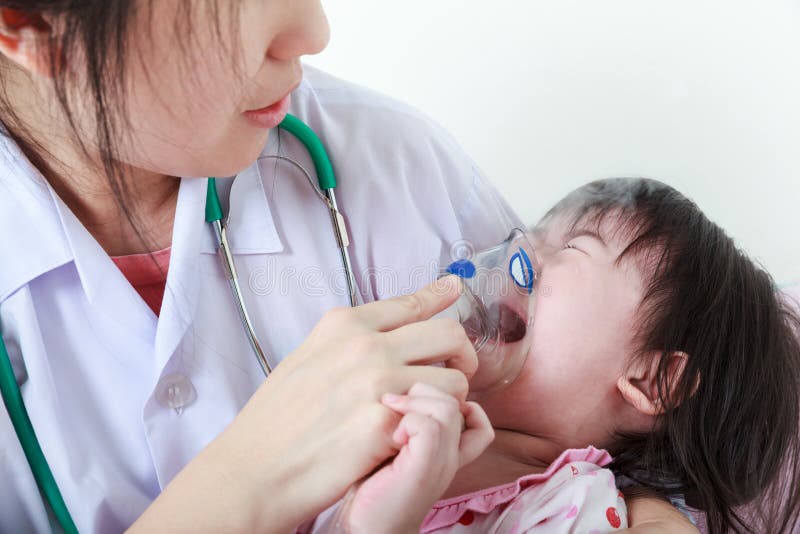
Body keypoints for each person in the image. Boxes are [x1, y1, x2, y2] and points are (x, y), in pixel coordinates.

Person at [0, 2, 702, 532]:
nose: (312, 30)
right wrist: (246, 484)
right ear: (27, 25)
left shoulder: (390, 167)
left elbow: (579, 413)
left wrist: (638, 509)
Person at [316, 179, 800, 533]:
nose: (514, 254)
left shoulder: (574, 510)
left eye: (570, 249)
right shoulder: (391, 420)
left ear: (653, 382)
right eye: (530, 235)